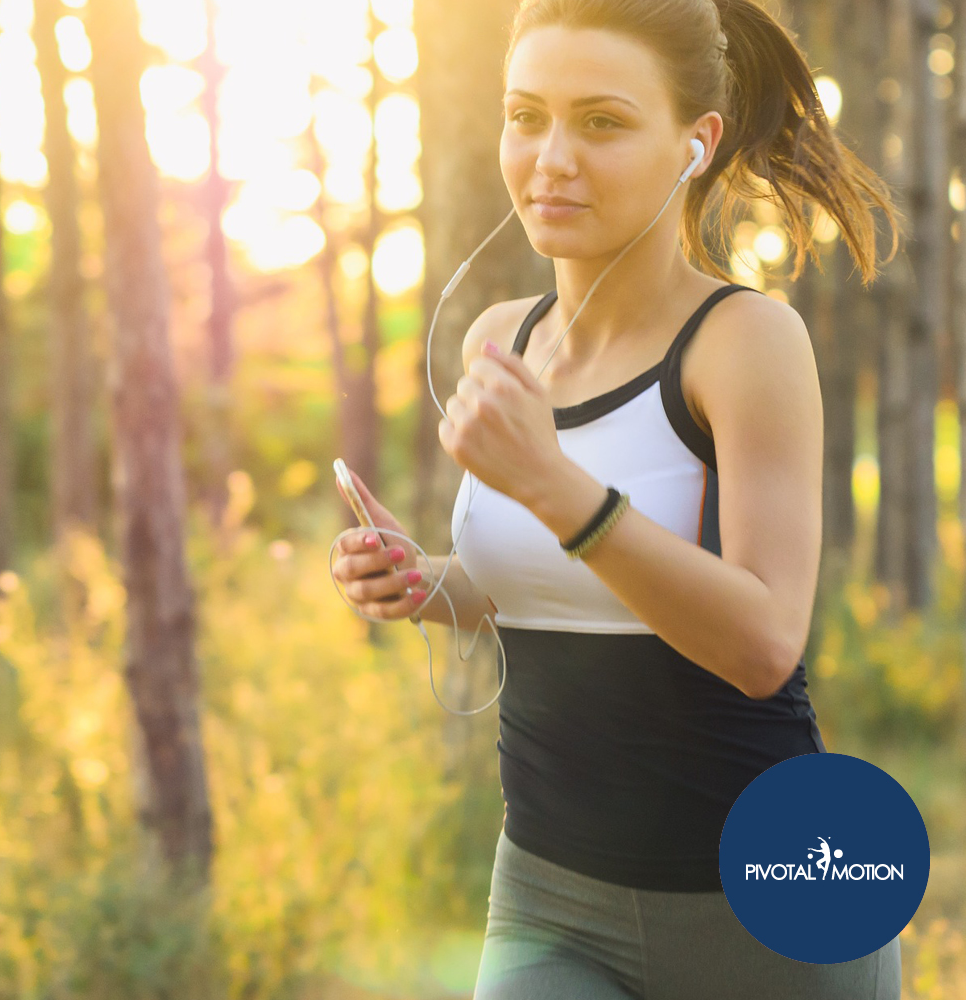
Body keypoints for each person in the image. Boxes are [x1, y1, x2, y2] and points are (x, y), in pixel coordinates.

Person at [332, 0, 903, 996]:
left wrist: (553, 485)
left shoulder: (744, 342)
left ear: (696, 142)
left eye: (600, 121)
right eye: (526, 116)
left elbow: (764, 641)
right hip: (552, 894)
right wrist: (425, 582)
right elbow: (545, 586)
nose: (551, 157)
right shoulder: (499, 342)